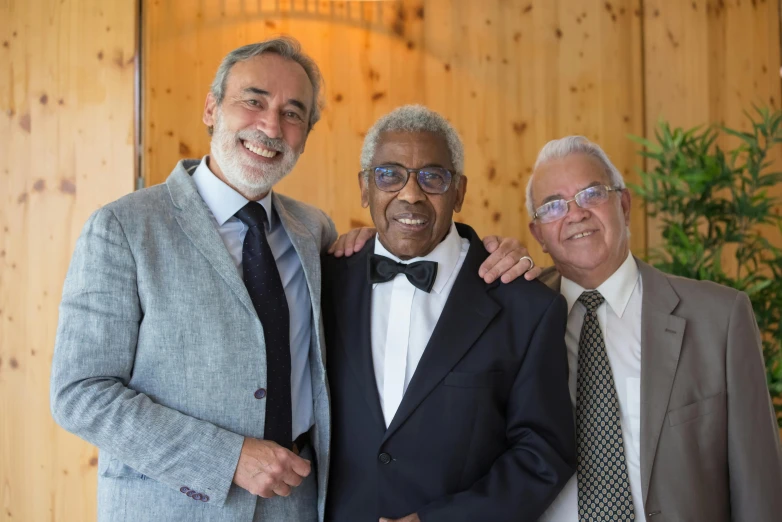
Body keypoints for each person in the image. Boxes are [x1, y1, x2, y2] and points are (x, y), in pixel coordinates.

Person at [50, 37, 535, 522]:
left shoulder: (314, 232)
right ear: (211, 107)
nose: (270, 126)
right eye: (254, 101)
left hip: (299, 505)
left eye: (293, 113)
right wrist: (228, 457)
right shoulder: (124, 228)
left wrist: (486, 252)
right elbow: (80, 392)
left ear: (305, 133)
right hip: (172, 506)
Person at [322, 105, 576, 522]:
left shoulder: (526, 306)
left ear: (459, 191)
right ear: (365, 188)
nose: (410, 194)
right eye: (389, 174)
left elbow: (543, 454)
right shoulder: (322, 282)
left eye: (432, 177)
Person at [527, 136, 782, 522]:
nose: (575, 214)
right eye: (554, 206)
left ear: (624, 205)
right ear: (539, 235)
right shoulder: (515, 321)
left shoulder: (720, 318)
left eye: (591, 193)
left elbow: (760, 491)